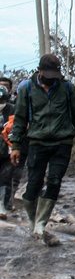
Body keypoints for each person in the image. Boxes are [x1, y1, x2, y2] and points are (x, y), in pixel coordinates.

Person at [10, 54, 75, 246]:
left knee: (54, 181)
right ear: (39, 71)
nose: (52, 78)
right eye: (48, 74)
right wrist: (15, 145)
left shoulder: (66, 88)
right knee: (33, 185)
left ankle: (41, 224)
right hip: (37, 142)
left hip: (62, 142)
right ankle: (33, 221)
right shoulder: (28, 89)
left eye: (55, 74)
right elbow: (20, 119)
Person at [0, 87, 15, 219]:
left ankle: (3, 206)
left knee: (6, 178)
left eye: (3, 100)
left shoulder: (12, 110)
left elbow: (16, 128)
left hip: (8, 149)